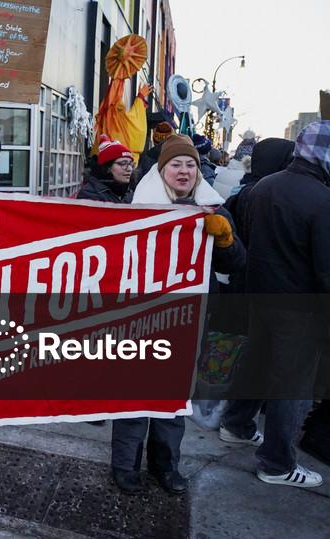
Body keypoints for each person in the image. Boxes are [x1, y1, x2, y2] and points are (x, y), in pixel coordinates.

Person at [111, 134, 245, 496]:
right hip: (140, 320)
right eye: (176, 164)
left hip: (189, 322)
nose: (184, 171)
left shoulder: (215, 211)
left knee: (172, 401)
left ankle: (165, 466)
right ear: (161, 170)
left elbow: (236, 264)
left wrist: (225, 240)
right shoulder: (137, 210)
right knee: (133, 397)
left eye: (190, 165)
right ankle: (125, 467)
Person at [218, 121, 330, 489]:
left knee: (256, 364)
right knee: (292, 386)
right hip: (301, 309)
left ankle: (236, 425)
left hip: (260, 296)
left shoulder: (262, 187)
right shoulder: (323, 200)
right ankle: (278, 464)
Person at [77, 135, 135, 203]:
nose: (129, 169)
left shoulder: (129, 193)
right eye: (123, 163)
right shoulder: (89, 194)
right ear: (107, 168)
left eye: (131, 164)